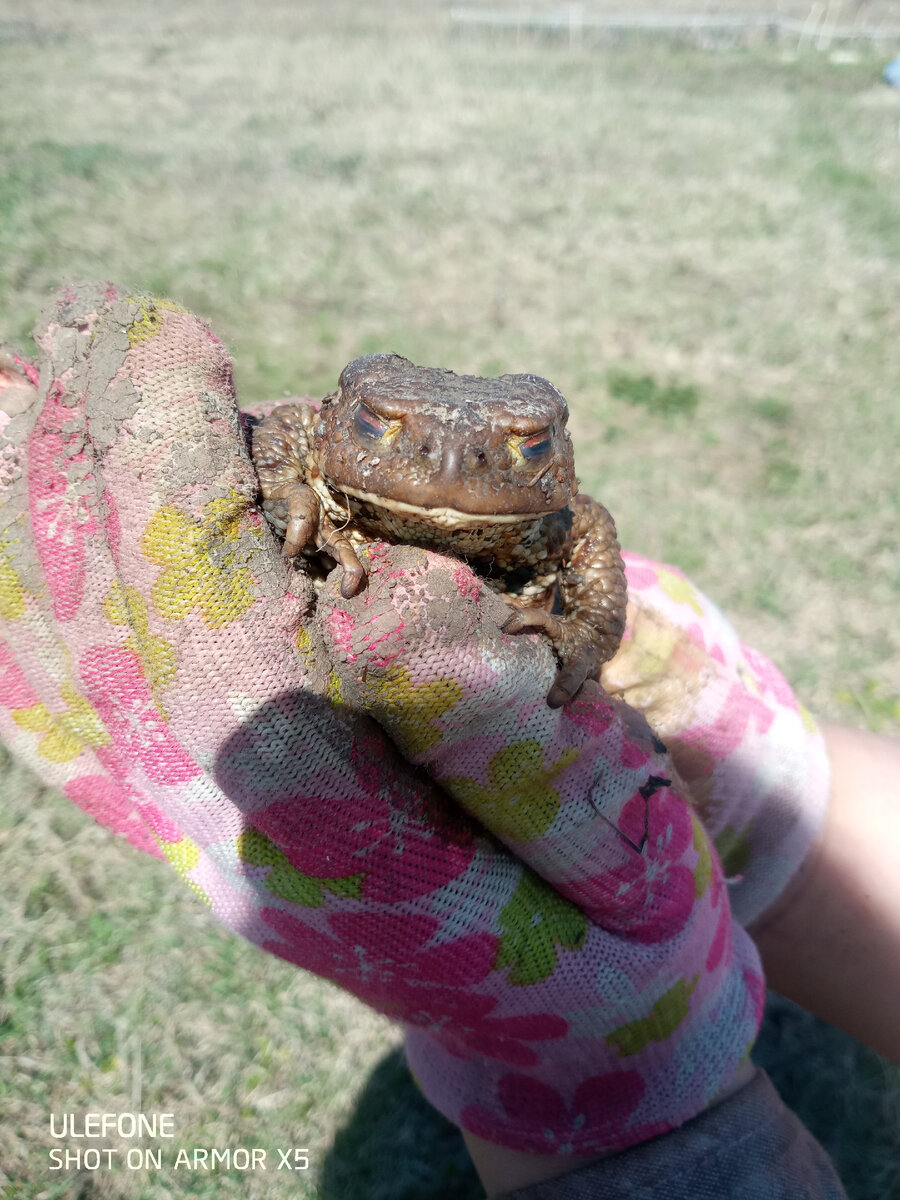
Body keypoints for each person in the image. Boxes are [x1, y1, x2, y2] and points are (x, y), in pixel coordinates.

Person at [0, 282, 896, 1198]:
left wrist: (595, 647)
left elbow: (586, 533)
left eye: (528, 445)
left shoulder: (555, 516)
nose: (450, 461)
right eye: (387, 428)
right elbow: (281, 441)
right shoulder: (314, 439)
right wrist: (283, 495)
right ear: (355, 417)